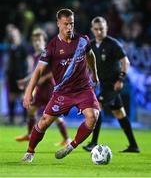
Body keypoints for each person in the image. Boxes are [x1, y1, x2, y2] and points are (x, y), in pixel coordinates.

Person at [22, 9, 100, 163]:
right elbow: (38, 71)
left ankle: (71, 146)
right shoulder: (52, 47)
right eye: (66, 24)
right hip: (62, 92)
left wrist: (95, 75)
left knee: (93, 117)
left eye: (71, 24)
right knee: (44, 122)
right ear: (58, 24)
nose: (69, 27)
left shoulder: (83, 41)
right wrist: (28, 92)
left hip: (84, 89)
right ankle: (30, 152)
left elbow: (90, 56)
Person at [83, 16, 140, 153]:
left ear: (106, 28)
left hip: (113, 85)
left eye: (101, 29)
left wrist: (121, 79)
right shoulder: (90, 45)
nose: (99, 32)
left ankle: (93, 143)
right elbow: (87, 63)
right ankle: (134, 146)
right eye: (96, 29)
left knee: (96, 107)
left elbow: (125, 62)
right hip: (102, 84)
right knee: (119, 113)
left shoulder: (113, 44)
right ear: (92, 30)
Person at [15, 28, 70, 146]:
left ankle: (67, 139)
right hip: (41, 91)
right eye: (34, 40)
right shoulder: (36, 55)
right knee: (31, 110)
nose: (36, 42)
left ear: (44, 41)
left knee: (55, 117)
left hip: (50, 89)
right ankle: (29, 135)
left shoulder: (49, 52)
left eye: (39, 40)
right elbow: (36, 72)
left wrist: (43, 79)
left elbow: (55, 70)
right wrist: (25, 81)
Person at [6, 27, 29, 125]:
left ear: (18, 35)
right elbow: (9, 61)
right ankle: (11, 120)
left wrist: (27, 74)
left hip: (21, 76)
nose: (13, 36)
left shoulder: (23, 46)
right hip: (11, 75)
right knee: (11, 97)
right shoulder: (11, 46)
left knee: (22, 97)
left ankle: (24, 120)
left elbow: (29, 59)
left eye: (14, 34)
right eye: (11, 35)